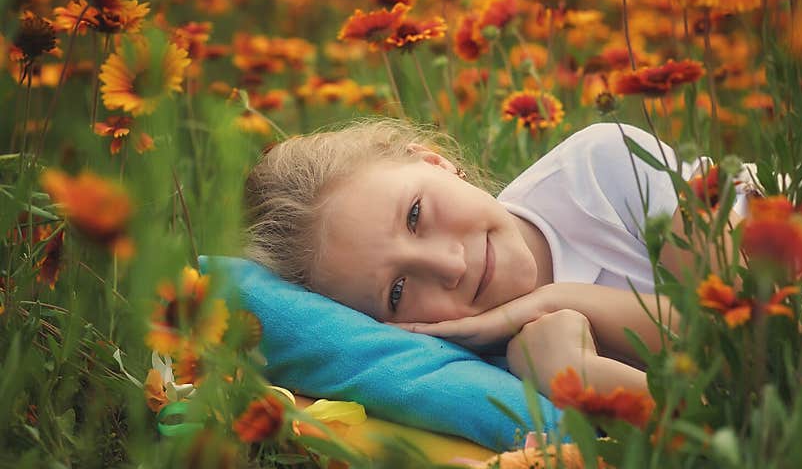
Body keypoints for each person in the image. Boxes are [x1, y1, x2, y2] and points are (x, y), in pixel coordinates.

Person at [242, 118, 747, 401]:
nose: (450, 265)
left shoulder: (604, 169)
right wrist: (574, 374)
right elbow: (725, 421)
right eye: (398, 291)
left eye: (416, 214)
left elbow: (752, 340)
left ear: (436, 162)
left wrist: (559, 300)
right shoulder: (506, 368)